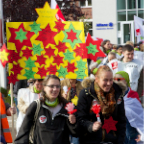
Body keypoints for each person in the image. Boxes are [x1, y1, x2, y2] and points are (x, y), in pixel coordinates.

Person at [15, 75, 77, 144]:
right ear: (44, 87)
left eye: (57, 86)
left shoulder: (67, 106)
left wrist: (73, 123)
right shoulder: (36, 106)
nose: (55, 89)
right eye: (51, 86)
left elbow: (76, 133)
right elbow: (24, 131)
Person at [76, 65, 126, 144]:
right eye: (105, 80)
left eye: (111, 80)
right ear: (97, 79)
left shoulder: (118, 93)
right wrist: (90, 126)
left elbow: (121, 121)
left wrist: (120, 141)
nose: (109, 83)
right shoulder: (86, 94)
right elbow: (80, 118)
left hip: (111, 140)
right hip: (90, 140)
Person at [114, 71, 144, 144]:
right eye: (114, 79)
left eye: (118, 79)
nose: (115, 81)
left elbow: (137, 112)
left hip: (131, 128)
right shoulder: (113, 92)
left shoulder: (133, 94)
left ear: (126, 80)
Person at [61, 78, 83, 144]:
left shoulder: (81, 84)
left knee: (75, 139)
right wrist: (62, 97)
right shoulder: (61, 83)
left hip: (77, 117)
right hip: (64, 116)